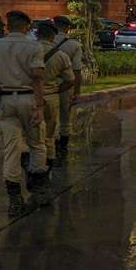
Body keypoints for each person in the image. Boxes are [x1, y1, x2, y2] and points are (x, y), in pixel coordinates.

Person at [0, 10, 47, 216]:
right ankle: (38, 189)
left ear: (8, 26)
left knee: (11, 149)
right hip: (28, 98)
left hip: (5, 99)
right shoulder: (33, 46)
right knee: (37, 144)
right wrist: (40, 107)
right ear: (26, 26)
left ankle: (15, 200)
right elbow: (37, 77)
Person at [35, 21, 75, 172]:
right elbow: (70, 80)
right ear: (53, 36)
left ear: (37, 33)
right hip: (50, 97)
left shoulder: (27, 51)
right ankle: (47, 165)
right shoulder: (61, 55)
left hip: (29, 97)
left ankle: (32, 167)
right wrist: (56, 90)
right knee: (49, 134)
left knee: (29, 135)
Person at [50, 15, 83, 161]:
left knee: (46, 118)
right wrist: (77, 91)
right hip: (65, 85)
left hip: (45, 86)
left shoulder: (41, 43)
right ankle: (62, 147)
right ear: (67, 27)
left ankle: (48, 147)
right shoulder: (74, 45)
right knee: (64, 118)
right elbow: (77, 70)